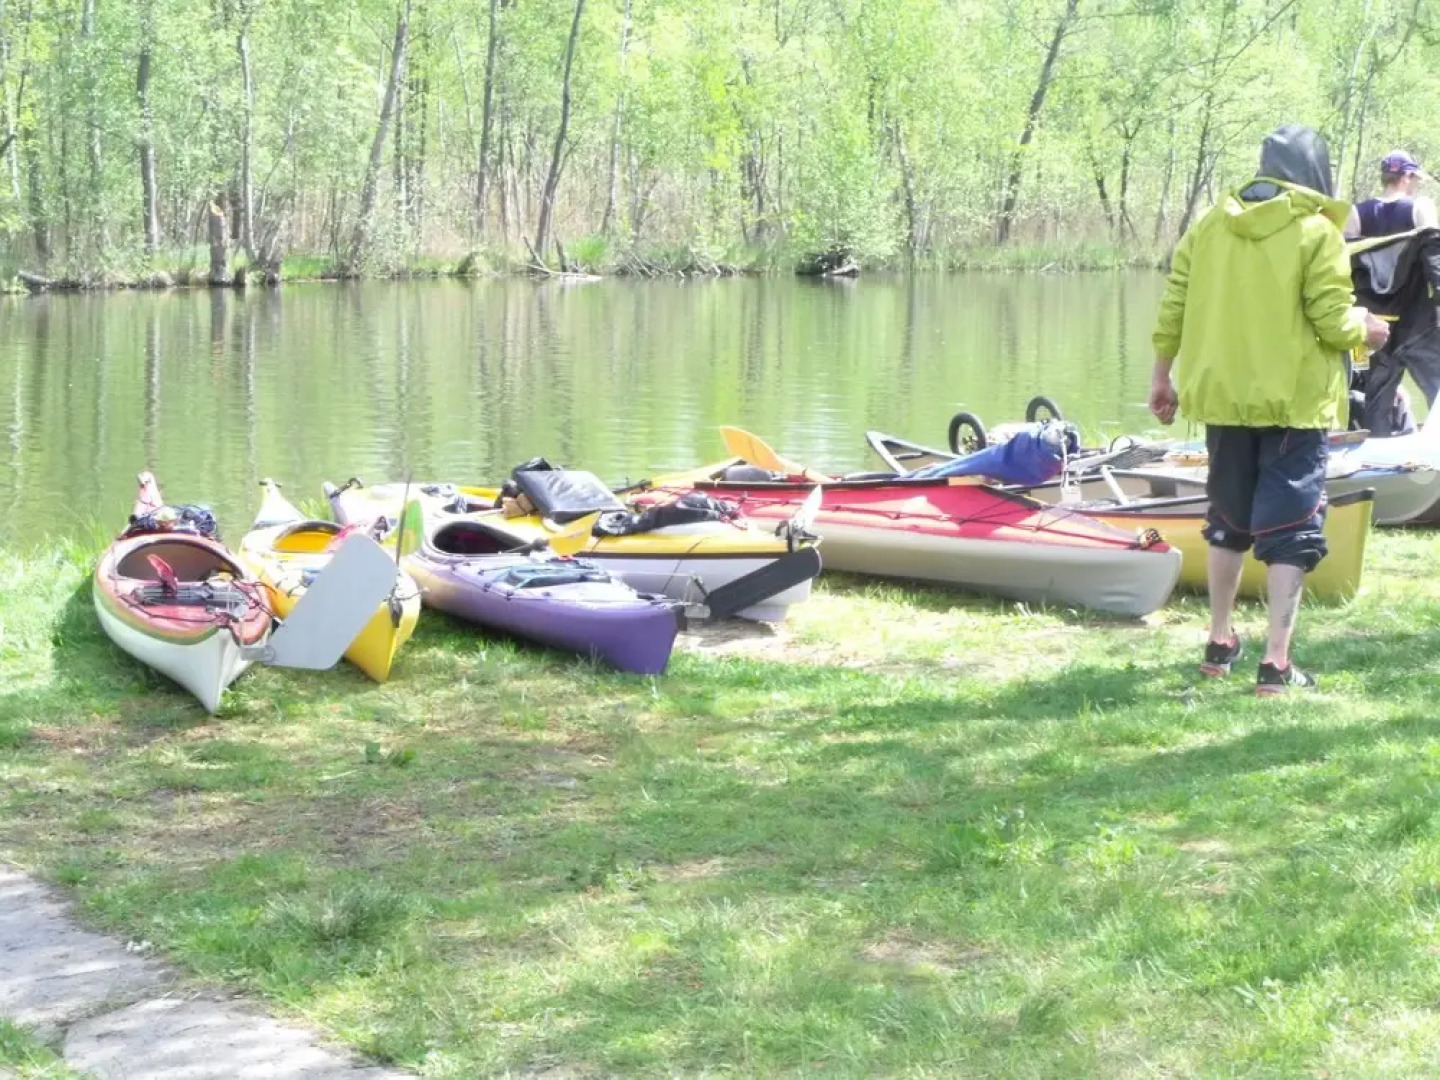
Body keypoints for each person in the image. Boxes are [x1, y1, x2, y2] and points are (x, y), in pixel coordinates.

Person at [1149, 124, 1389, 696]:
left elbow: (1174, 306)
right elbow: (1333, 321)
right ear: (1316, 177)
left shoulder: (1208, 226)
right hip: (1293, 405)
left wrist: (1162, 376)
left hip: (1221, 401)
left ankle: (1219, 642)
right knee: (1293, 531)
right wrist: (1369, 333)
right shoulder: (1316, 232)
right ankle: (1276, 664)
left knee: (1227, 523)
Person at [1345, 150, 1438, 238]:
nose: (1417, 183)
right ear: (1406, 176)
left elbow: (1346, 252)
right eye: (1416, 179)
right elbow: (1434, 250)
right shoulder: (1421, 206)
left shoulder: (1355, 212)